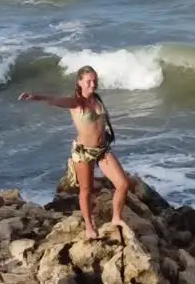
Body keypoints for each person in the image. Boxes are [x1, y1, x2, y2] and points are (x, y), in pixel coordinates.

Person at [18, 65, 128, 240]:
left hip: (102, 150)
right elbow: (55, 100)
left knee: (123, 184)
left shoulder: (97, 99)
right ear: (79, 82)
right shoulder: (76, 102)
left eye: (95, 81)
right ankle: (89, 227)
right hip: (84, 153)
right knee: (86, 189)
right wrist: (36, 97)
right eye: (88, 81)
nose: (93, 84)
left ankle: (116, 217)